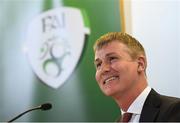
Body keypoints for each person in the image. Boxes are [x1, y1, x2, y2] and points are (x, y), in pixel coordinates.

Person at [93, 32, 180, 122]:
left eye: (112, 59)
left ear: (140, 64)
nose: (103, 69)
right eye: (98, 64)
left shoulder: (175, 111)